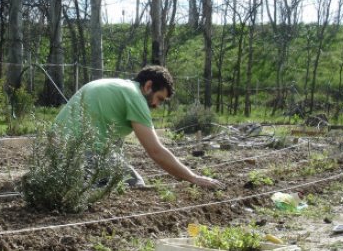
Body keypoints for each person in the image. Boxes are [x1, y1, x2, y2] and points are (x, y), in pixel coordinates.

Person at [54, 65, 223, 189]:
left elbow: (112, 143)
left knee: (116, 163)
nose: (157, 105)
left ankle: (65, 179)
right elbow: (155, 151)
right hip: (79, 153)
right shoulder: (135, 97)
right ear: (148, 86)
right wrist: (193, 178)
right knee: (135, 185)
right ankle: (78, 186)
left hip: (53, 149)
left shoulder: (118, 87)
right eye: (159, 98)